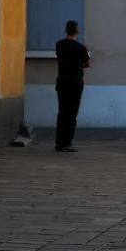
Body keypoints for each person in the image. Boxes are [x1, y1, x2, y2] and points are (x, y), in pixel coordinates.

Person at [55, 20, 90, 152]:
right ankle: (67, 143)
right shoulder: (81, 48)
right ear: (77, 31)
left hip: (62, 82)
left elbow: (60, 58)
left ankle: (59, 143)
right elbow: (87, 64)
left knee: (62, 112)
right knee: (72, 113)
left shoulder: (59, 45)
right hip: (75, 83)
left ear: (66, 30)